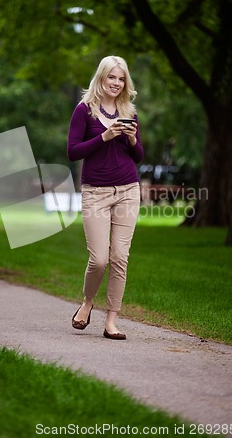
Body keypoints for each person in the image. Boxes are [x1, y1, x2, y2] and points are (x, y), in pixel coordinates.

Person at [67, 55, 144, 340]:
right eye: (112, 76)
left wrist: (133, 140)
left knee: (120, 257)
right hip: (95, 193)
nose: (116, 82)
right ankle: (87, 302)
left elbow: (138, 156)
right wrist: (105, 136)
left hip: (128, 190)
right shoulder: (83, 110)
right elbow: (73, 151)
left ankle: (111, 321)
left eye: (121, 78)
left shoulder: (129, 111)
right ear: (101, 77)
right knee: (99, 259)